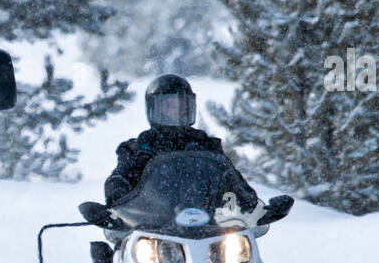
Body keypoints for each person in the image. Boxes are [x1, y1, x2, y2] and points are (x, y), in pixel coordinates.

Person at [103, 74, 262, 222]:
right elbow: (119, 177)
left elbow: (230, 177)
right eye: (168, 105)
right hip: (151, 227)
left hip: (207, 227)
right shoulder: (138, 148)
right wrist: (116, 196)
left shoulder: (206, 144)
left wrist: (250, 203)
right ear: (153, 108)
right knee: (122, 247)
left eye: (181, 104)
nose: (176, 110)